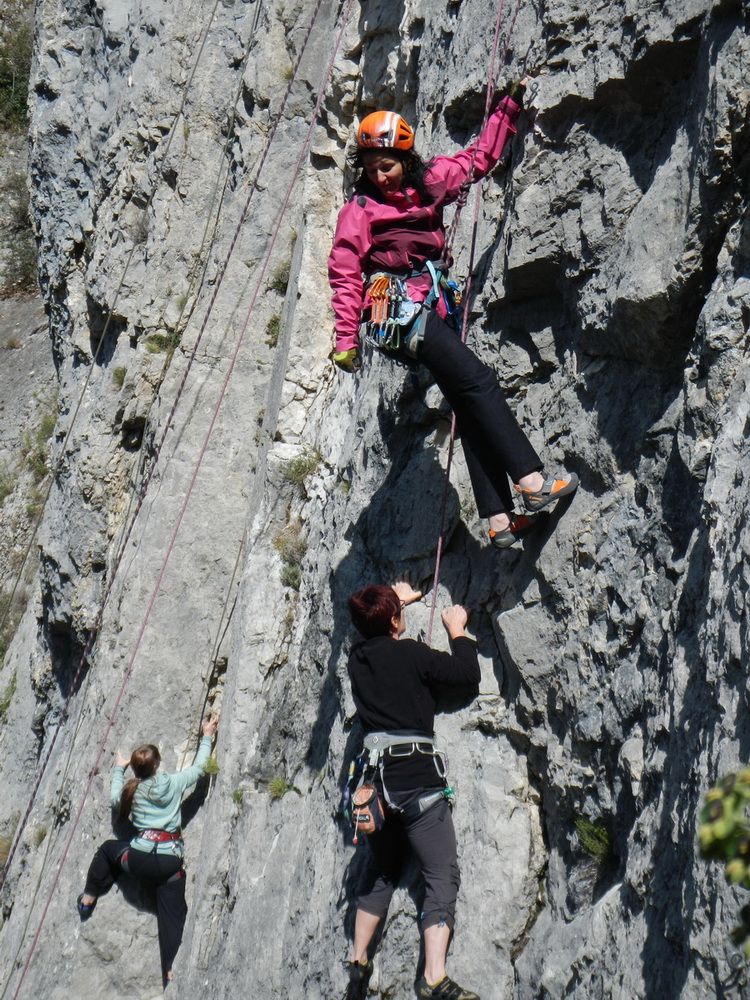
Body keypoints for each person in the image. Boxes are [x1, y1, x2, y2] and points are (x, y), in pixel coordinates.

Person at [328, 86, 578, 548]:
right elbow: (345, 274)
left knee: (466, 399)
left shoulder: (431, 183)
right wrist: (345, 339)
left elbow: (477, 160)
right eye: (371, 168)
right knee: (479, 381)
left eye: (387, 165)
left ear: (406, 159)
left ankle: (499, 519)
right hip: (399, 312)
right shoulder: (359, 212)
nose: (380, 176)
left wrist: (507, 109)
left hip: (433, 306)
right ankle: (531, 482)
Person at [342, 581, 480, 1000]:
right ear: (394, 620)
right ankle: (433, 977)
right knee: (440, 874)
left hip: (376, 789)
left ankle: (358, 959)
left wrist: (393, 605)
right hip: (417, 782)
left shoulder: (356, 660)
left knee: (384, 868)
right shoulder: (412, 655)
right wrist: (457, 631)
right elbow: (466, 676)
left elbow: (373, 635)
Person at [76, 714, 219, 989]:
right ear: (157, 765)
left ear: (137, 771)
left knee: (106, 850)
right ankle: (170, 969)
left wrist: (119, 769)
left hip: (137, 859)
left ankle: (89, 898)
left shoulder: (133, 792)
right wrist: (207, 736)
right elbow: (200, 768)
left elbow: (114, 798)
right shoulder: (174, 783)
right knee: (172, 912)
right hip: (169, 864)